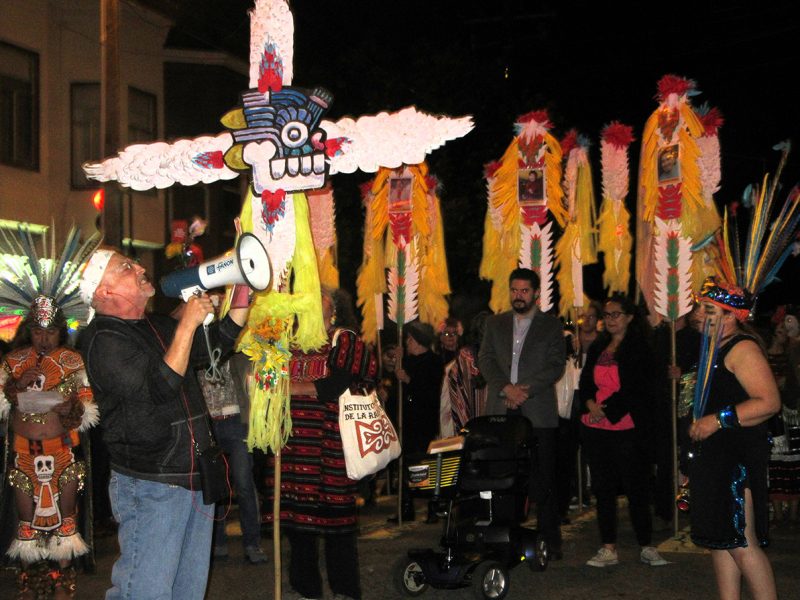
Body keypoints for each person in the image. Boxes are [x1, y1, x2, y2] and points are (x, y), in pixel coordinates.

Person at [78, 248, 251, 600]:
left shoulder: (155, 325)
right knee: (146, 591)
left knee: (188, 591)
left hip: (194, 475)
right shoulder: (102, 339)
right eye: (127, 268)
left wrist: (245, 287)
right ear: (105, 291)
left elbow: (215, 347)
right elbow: (160, 387)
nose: (141, 267)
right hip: (151, 484)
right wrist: (188, 322)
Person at [265, 287, 376, 600]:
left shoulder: (345, 340)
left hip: (330, 447)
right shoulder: (286, 344)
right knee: (298, 527)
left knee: (337, 527)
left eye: (319, 299)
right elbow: (267, 383)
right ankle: (306, 590)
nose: (310, 305)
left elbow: (336, 385)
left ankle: (345, 591)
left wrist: (290, 387)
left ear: (334, 309)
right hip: (291, 447)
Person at [0, 296, 98, 599]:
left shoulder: (74, 361)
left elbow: (88, 409)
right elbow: (2, 406)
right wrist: (15, 387)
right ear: (29, 330)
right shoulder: (13, 361)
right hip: (24, 451)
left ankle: (62, 582)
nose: (43, 339)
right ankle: (29, 581)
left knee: (65, 517)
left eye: (51, 332)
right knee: (26, 518)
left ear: (61, 332)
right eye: (38, 332)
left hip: (62, 451)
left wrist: (72, 409)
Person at [688, 279, 780, 600]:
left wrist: (717, 420)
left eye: (708, 309)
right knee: (720, 539)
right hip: (713, 458)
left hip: (735, 460)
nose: (699, 314)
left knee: (742, 543)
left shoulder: (741, 348)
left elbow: (768, 402)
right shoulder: (714, 348)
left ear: (730, 316)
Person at [478, 267, 565, 558]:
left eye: (524, 291)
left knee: (544, 477)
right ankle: (504, 537)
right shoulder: (495, 323)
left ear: (536, 293)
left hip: (537, 411)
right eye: (514, 290)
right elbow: (486, 359)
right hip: (502, 409)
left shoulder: (551, 326)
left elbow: (555, 365)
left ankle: (549, 541)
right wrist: (506, 388)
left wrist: (523, 390)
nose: (518, 296)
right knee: (501, 475)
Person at [579, 295, 666, 568]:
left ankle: (646, 545)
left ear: (629, 317)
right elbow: (585, 381)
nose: (610, 320)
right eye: (607, 315)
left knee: (635, 487)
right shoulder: (599, 346)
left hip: (626, 425)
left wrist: (606, 409)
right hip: (596, 425)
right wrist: (591, 403)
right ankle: (608, 547)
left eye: (616, 314)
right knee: (603, 488)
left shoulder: (640, 347)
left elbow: (637, 388)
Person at [192, 293, 267, 565]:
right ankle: (218, 542)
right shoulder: (196, 343)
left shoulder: (238, 345)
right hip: (208, 424)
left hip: (235, 422)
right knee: (216, 487)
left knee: (245, 485)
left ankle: (252, 543)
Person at [393, 320, 444, 523]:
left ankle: (432, 507)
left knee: (424, 463)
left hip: (424, 421)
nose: (407, 342)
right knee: (406, 464)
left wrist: (409, 381)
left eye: (410, 339)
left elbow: (429, 391)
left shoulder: (433, 361)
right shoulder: (408, 360)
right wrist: (398, 361)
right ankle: (406, 507)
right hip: (407, 421)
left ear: (418, 341)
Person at [767, 308, 800, 526]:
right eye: (780, 328)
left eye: (787, 325)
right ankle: (778, 511)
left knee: (795, 461)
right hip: (775, 414)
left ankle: (794, 511)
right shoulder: (767, 354)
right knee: (776, 461)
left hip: (792, 412)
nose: (784, 330)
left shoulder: (794, 351)